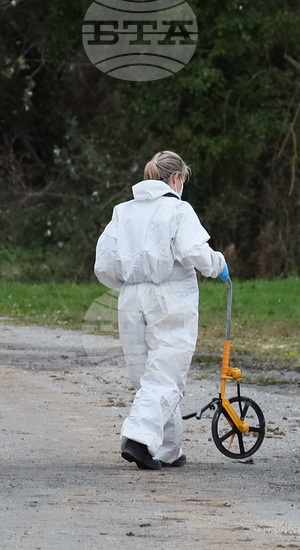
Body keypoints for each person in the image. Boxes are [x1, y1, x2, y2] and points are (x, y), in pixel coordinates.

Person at [94, 151, 228, 471]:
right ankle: (139, 440)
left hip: (129, 297)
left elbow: (103, 265)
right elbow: (194, 250)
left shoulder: (122, 211)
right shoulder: (177, 209)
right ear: (177, 178)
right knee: (167, 375)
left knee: (148, 376)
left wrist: (130, 282)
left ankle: (169, 449)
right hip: (170, 294)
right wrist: (218, 266)